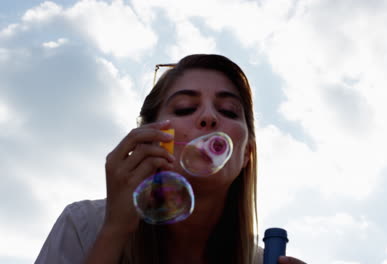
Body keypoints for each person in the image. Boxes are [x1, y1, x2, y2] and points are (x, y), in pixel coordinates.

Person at [35, 54, 306, 264]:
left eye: (229, 111)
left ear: (246, 154)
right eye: (185, 107)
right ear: (149, 136)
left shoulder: (261, 261)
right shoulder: (85, 226)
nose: (209, 117)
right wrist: (115, 231)